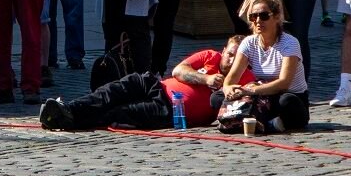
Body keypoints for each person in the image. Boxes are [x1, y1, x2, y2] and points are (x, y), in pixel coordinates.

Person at [38, 34, 241, 132]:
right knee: (109, 92)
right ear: (224, 51)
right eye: (230, 54)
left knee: (120, 112)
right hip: (156, 85)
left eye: (238, 57)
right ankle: (67, 109)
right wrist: (206, 79)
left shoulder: (244, 76)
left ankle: (66, 120)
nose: (232, 60)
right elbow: (179, 71)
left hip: (170, 109)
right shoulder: (210, 56)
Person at [221, 0, 310, 135]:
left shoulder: (290, 43)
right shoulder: (248, 42)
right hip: (262, 97)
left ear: (276, 17)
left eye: (263, 16)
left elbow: (284, 83)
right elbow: (232, 77)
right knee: (216, 98)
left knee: (287, 101)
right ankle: (266, 122)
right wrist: (228, 89)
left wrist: (251, 91)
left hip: (287, 95)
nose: (258, 21)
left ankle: (256, 121)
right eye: (253, 17)